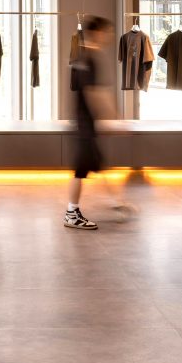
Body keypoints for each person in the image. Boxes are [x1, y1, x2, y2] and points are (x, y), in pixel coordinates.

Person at [65, 14, 112, 229]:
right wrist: (112, 117)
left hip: (83, 123)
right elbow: (94, 93)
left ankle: (115, 203)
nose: (109, 36)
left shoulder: (81, 57)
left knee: (91, 166)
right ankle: (71, 213)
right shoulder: (90, 59)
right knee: (81, 169)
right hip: (85, 124)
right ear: (97, 32)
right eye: (107, 32)